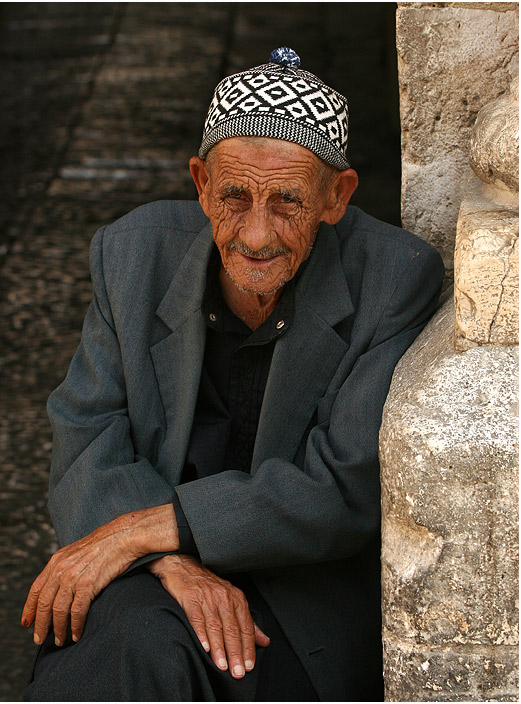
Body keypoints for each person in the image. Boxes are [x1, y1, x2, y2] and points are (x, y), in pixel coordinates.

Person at [22, 47, 444, 701]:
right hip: (154, 580)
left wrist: (145, 531)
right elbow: (87, 435)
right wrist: (167, 559)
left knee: (213, 667)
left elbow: (343, 486)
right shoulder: (131, 253)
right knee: (124, 646)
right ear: (198, 184)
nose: (255, 234)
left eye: (287, 202)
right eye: (233, 197)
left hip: (297, 591)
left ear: (337, 197)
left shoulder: (393, 278)